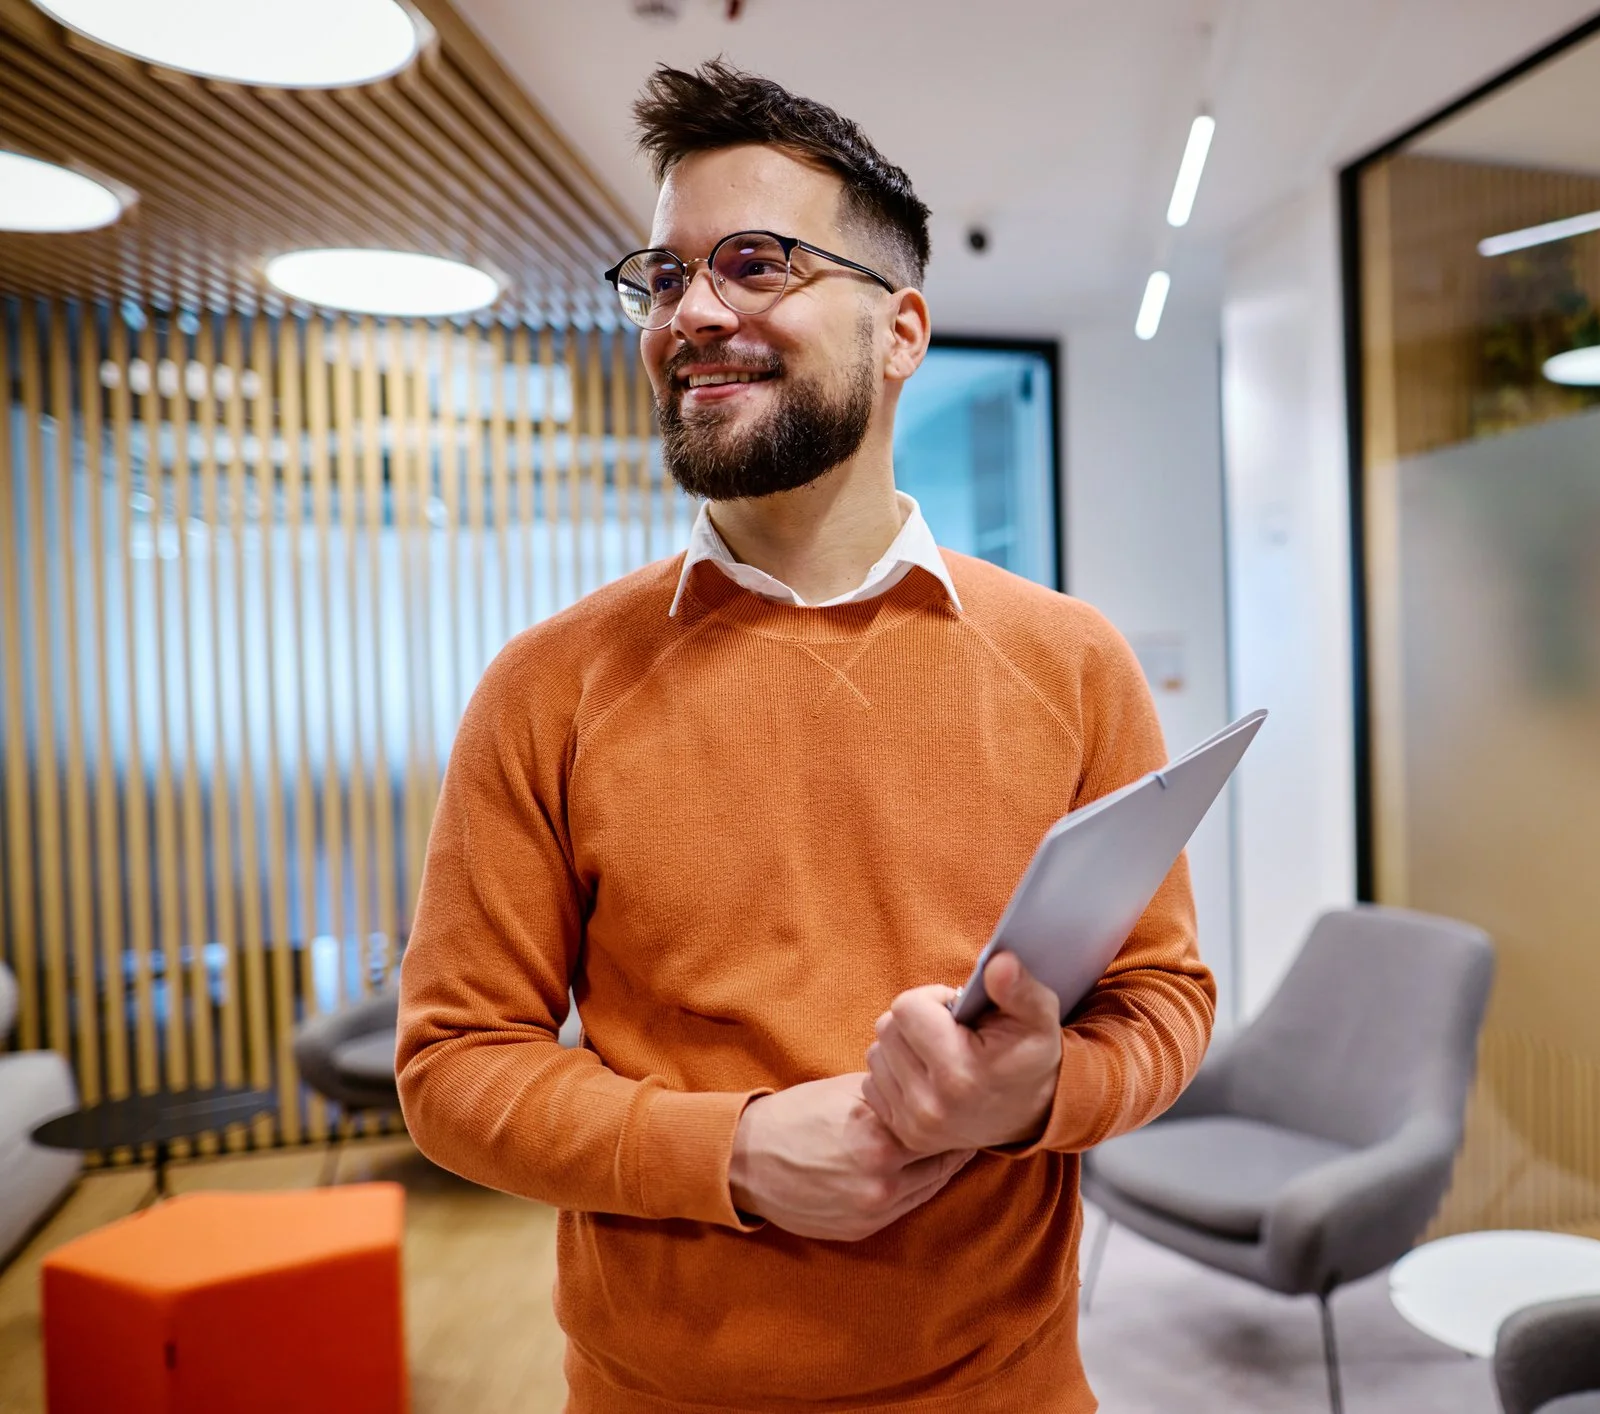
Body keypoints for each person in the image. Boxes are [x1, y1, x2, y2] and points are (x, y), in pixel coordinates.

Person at [395, 58, 1215, 1413]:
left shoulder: (1074, 662)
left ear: (899, 331)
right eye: (662, 277)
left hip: (1008, 1387)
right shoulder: (546, 685)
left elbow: (1166, 1004)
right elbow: (452, 1068)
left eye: (754, 262)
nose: (692, 313)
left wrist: (1034, 1091)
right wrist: (734, 1149)